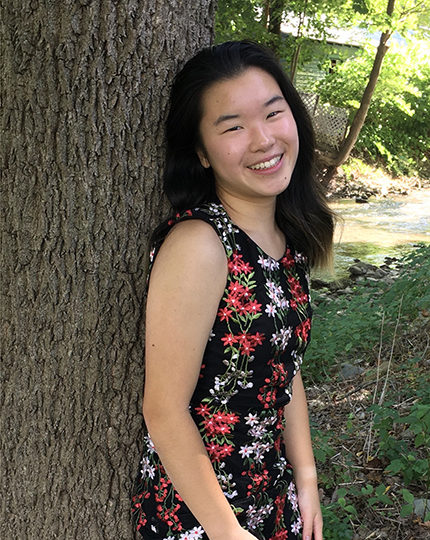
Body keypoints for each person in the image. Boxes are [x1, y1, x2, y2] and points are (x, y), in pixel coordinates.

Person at [132, 41, 334, 540]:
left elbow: (284, 370)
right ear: (200, 152)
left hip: (271, 495)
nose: (263, 139)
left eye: (273, 113)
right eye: (233, 127)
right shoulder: (201, 245)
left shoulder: (288, 241)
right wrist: (229, 533)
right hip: (201, 514)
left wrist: (305, 479)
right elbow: (163, 411)